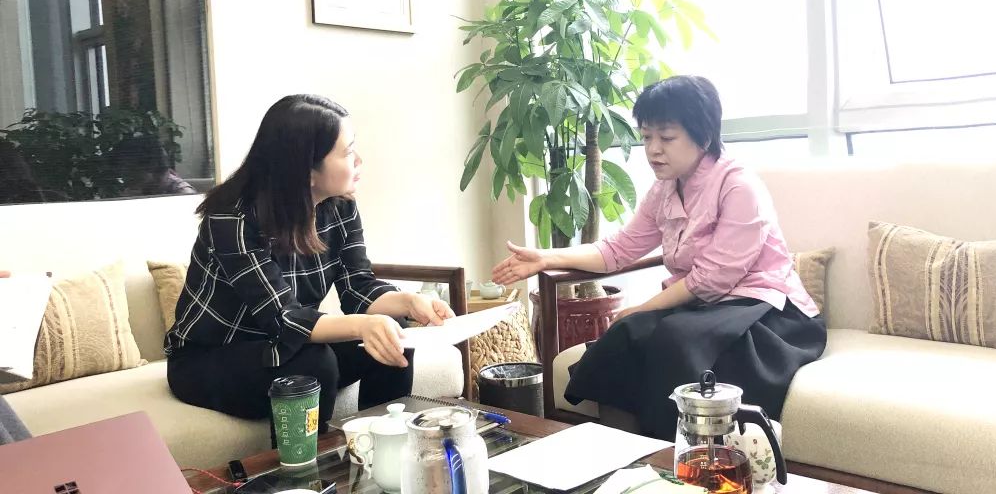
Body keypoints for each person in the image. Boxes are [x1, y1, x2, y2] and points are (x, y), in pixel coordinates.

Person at [492, 76, 826, 438]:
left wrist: (643, 307)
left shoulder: (739, 186)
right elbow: (619, 248)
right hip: (705, 308)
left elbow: (711, 279)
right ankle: (622, 453)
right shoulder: (664, 189)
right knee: (625, 334)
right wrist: (545, 258)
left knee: (674, 339)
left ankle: (673, 456)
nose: (653, 150)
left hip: (766, 309)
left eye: (667, 138)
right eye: (647, 136)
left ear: (703, 136)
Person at [165, 94, 454, 433]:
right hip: (211, 357)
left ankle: (383, 449)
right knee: (313, 363)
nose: (359, 160)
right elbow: (283, 318)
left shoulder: (340, 206)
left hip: (284, 346)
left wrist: (408, 302)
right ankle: (307, 467)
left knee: (393, 337)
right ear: (307, 170)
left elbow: (358, 286)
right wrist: (363, 326)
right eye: (347, 152)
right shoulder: (233, 219)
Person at [110, 135, 196, 197]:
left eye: (129, 169)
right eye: (121, 170)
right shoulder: (135, 191)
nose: (124, 176)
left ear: (151, 165)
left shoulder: (182, 196)